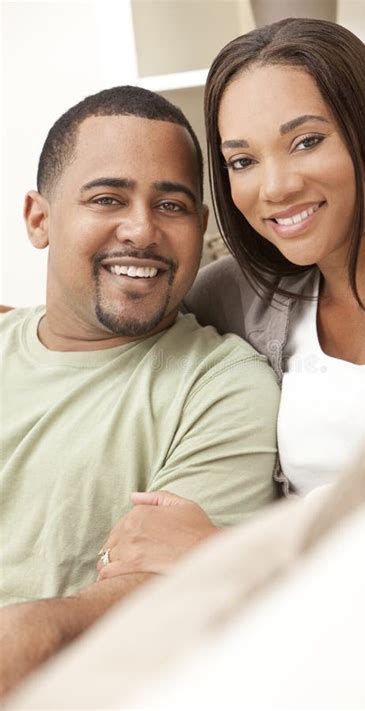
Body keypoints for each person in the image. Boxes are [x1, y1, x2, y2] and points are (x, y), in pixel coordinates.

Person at [96, 18, 365, 579]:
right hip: (300, 619)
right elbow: (122, 326)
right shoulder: (248, 292)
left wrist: (228, 555)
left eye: (306, 141)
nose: (274, 188)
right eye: (242, 161)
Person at [0, 86, 280, 694]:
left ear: (201, 229)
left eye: (172, 206)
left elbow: (168, 595)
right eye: (107, 198)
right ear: (39, 218)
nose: (141, 230)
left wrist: (34, 630)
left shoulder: (222, 389)